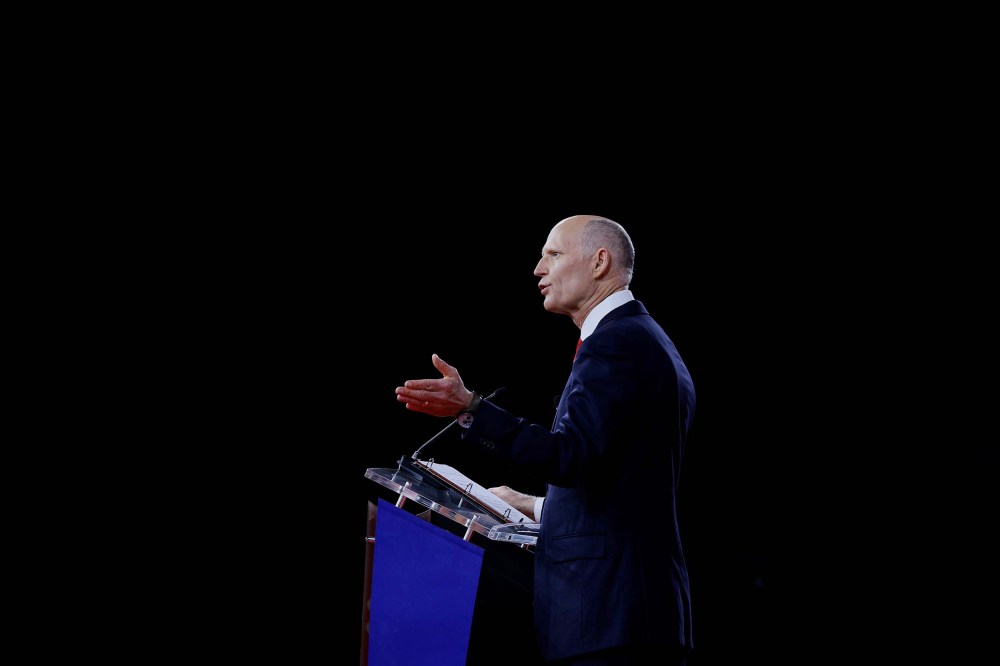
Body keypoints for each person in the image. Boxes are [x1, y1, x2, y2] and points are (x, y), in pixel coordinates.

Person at [395, 215, 696, 666]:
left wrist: (471, 408)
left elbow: (570, 457)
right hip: (625, 611)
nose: (539, 268)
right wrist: (532, 504)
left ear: (599, 262)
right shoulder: (642, 339)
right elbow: (618, 481)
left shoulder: (618, 344)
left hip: (609, 616)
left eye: (553, 254)